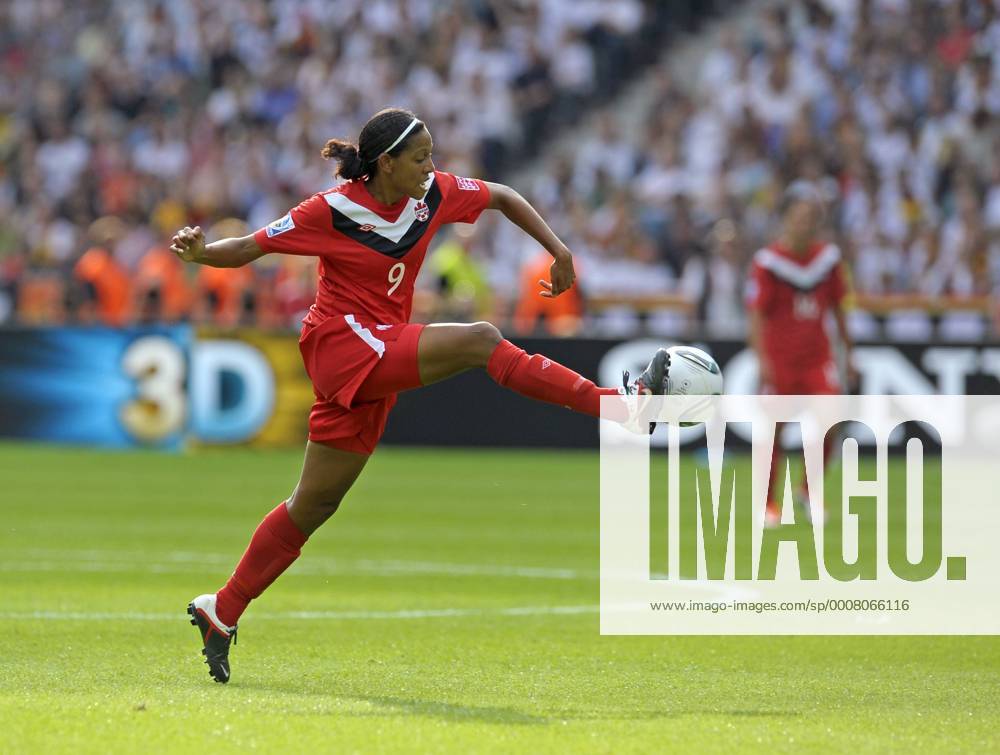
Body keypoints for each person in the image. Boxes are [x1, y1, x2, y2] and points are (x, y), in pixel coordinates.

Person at [171, 108, 669, 683]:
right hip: (341, 344)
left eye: (432, 154)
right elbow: (253, 247)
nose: (432, 167)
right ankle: (619, 407)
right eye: (421, 157)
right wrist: (201, 252)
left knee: (313, 506)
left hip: (377, 354)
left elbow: (503, 196)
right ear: (386, 164)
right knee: (482, 340)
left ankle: (222, 610)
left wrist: (560, 251)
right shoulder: (330, 211)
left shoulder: (432, 195)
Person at [746, 182, 857, 527]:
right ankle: (767, 503)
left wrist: (849, 351)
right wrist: (762, 360)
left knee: (833, 418)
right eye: (798, 217)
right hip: (780, 359)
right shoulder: (768, 263)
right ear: (785, 219)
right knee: (774, 429)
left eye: (810, 217)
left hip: (817, 356)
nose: (804, 224)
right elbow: (756, 314)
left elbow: (839, 307)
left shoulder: (828, 260)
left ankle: (808, 490)